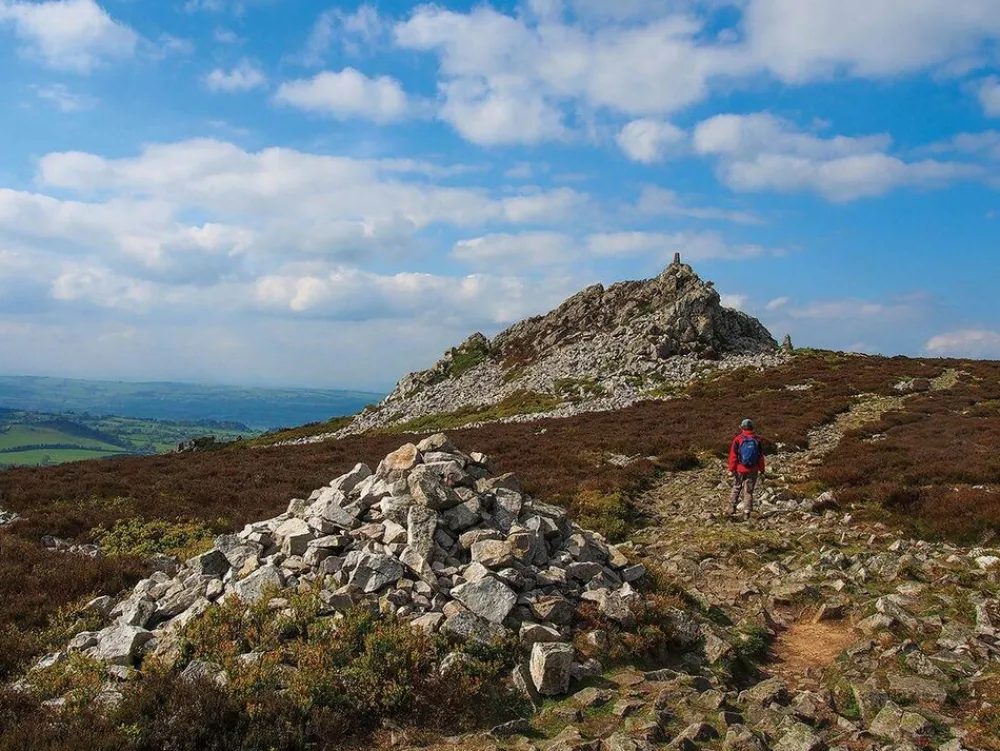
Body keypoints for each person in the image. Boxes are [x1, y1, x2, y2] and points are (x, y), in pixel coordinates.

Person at [728, 418, 765, 519]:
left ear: (742, 428)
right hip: (753, 469)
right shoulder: (757, 440)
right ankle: (747, 512)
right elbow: (760, 457)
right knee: (748, 491)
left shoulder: (738, 439)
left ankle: (731, 508)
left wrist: (731, 469)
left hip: (740, 469)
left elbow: (733, 456)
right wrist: (762, 470)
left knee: (736, 487)